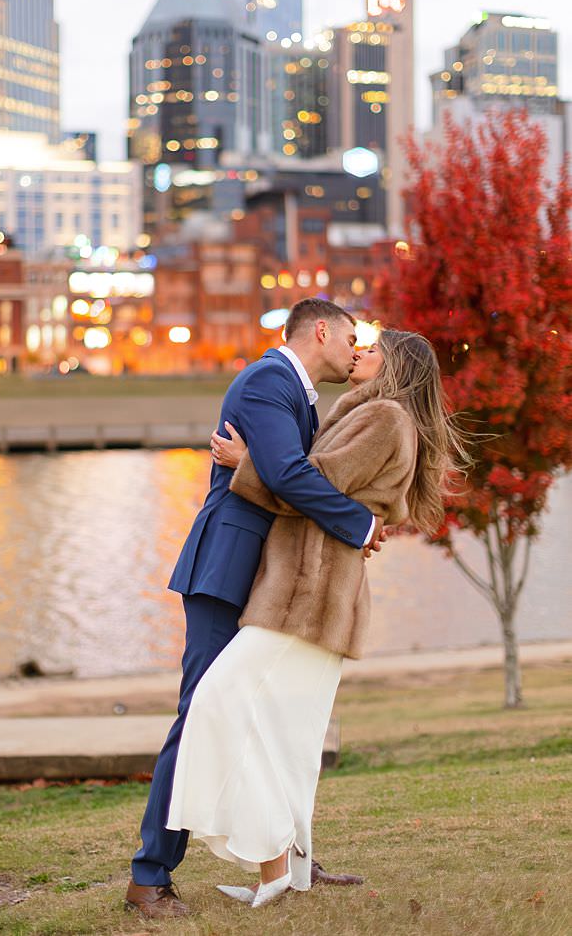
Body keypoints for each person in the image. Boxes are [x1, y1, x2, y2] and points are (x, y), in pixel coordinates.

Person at [167, 329, 465, 908]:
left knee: (218, 702)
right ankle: (285, 872)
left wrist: (246, 464)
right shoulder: (370, 414)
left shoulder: (384, 419)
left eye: (371, 349)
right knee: (285, 736)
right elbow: (326, 488)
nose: (358, 353)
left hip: (308, 595)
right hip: (313, 592)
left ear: (394, 366)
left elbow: (310, 486)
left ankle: (273, 860)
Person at [124, 298, 387, 921]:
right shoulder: (268, 380)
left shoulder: (302, 397)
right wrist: (361, 523)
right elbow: (292, 475)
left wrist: (252, 465)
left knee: (274, 717)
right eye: (351, 336)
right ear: (320, 330)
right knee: (200, 714)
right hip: (226, 569)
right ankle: (148, 879)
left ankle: (291, 858)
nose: (355, 348)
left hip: (260, 574)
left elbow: (283, 472)